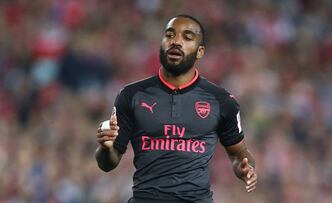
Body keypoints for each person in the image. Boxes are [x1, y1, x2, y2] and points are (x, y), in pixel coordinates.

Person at [95, 14, 257, 203]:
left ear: (200, 51)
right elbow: (107, 164)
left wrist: (246, 168)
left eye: (187, 37)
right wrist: (105, 148)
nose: (176, 42)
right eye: (170, 35)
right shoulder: (132, 96)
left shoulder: (222, 101)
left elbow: (239, 154)